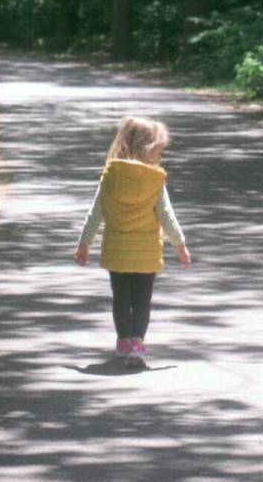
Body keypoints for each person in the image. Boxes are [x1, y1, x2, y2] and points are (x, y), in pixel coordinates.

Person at [74, 115, 192, 368]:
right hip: (146, 253)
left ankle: (122, 342)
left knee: (120, 298)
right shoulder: (155, 180)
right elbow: (167, 216)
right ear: (148, 150)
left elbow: (96, 212)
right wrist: (179, 245)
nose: (160, 158)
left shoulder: (111, 175)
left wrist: (85, 243)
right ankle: (137, 345)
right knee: (141, 300)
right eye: (159, 152)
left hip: (117, 251)